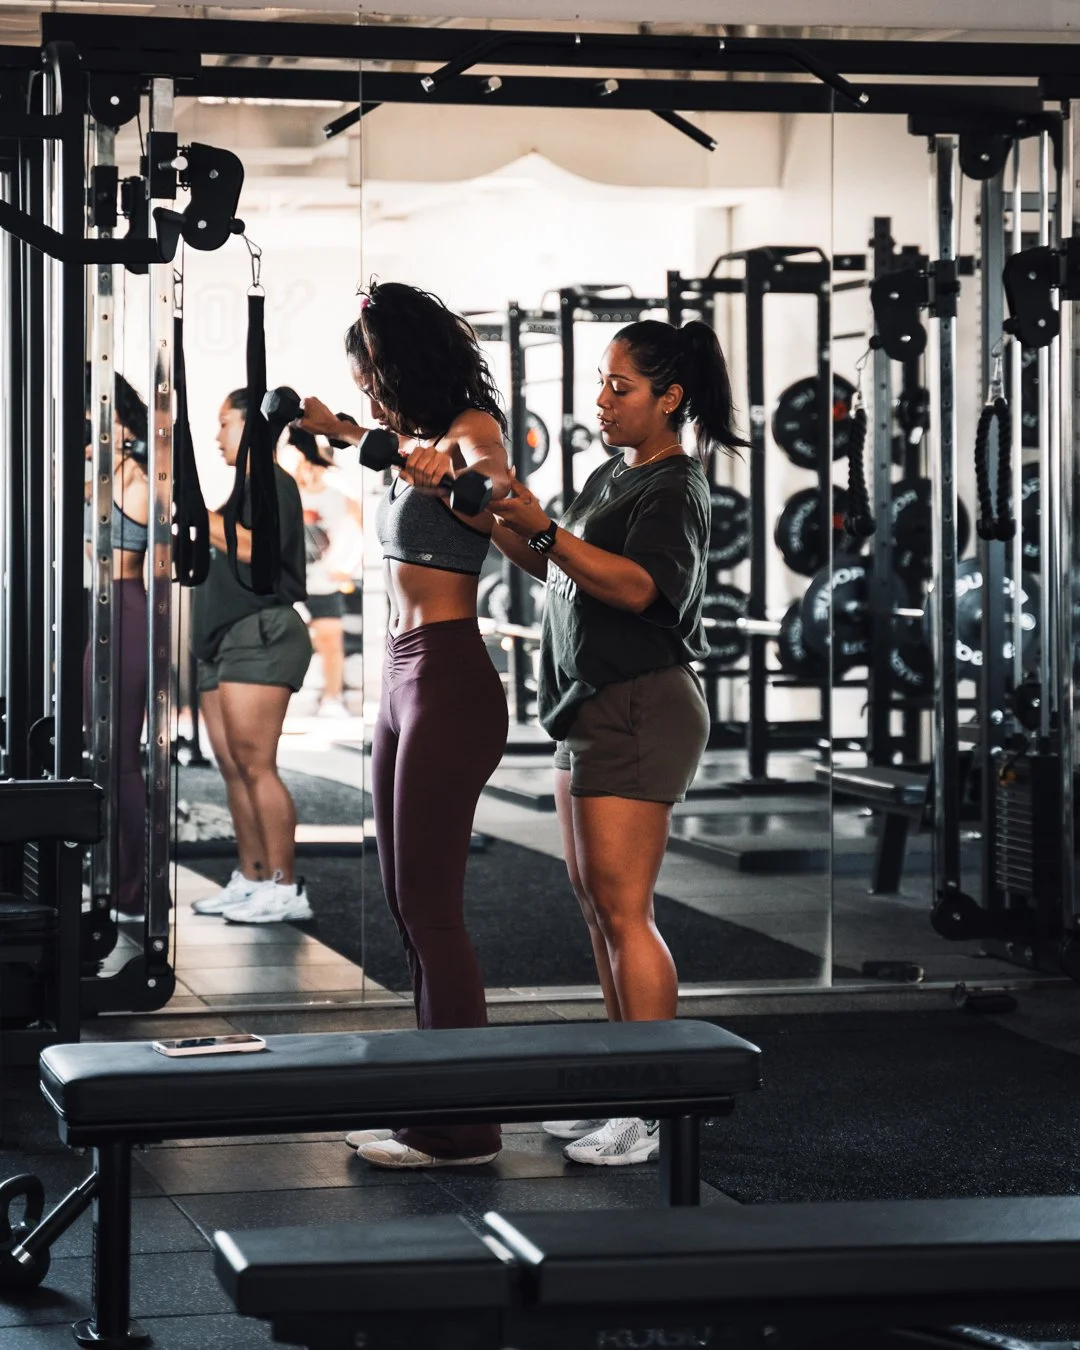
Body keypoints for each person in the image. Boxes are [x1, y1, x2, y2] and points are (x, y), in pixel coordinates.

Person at [491, 319, 747, 1166]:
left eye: (620, 387)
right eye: (602, 383)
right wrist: (494, 513)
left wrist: (545, 530)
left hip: (641, 707)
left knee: (626, 912)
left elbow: (639, 589)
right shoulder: (617, 472)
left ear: (670, 399)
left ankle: (652, 1106)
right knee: (597, 906)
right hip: (589, 705)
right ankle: (620, 1081)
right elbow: (562, 566)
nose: (601, 400)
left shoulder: (674, 485)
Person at [297, 281, 511, 1170]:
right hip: (398, 675)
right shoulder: (410, 440)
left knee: (432, 907)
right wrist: (339, 429)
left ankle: (462, 1127)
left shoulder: (473, 430)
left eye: (374, 379)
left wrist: (455, 477)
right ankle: (436, 1101)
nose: (371, 395)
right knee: (404, 901)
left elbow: (492, 489)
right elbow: (397, 453)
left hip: (448, 678)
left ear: (407, 366)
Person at [188, 388, 314, 924]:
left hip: (259, 634)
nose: (217, 437)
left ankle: (286, 889)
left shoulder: (273, 481)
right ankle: (254, 876)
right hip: (221, 642)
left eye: (224, 424)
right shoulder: (240, 489)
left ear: (250, 426)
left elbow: (252, 549)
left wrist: (189, 508)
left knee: (257, 765)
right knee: (233, 767)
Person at [83, 374, 151, 917]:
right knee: (102, 755)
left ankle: (135, 886)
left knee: (123, 756)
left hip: (127, 608)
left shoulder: (137, 479)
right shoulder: (102, 471)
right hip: (99, 610)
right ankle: (109, 871)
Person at [284, 425, 364, 718]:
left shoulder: (339, 497)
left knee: (331, 642)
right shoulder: (287, 492)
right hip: (291, 583)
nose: (309, 469)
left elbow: (363, 528)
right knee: (289, 642)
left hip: (324, 584)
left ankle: (332, 699)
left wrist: (347, 566)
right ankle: (289, 698)